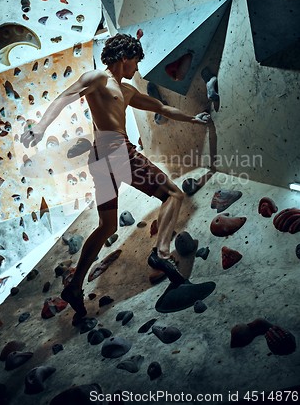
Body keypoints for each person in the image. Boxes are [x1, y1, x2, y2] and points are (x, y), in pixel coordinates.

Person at [21, 33, 210, 319]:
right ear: (125, 57)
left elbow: (160, 107)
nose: (136, 69)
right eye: (135, 62)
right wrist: (40, 128)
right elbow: (65, 97)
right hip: (116, 151)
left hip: (100, 159)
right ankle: (160, 252)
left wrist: (194, 119)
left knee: (107, 226)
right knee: (173, 194)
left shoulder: (128, 91)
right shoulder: (97, 77)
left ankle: (74, 286)